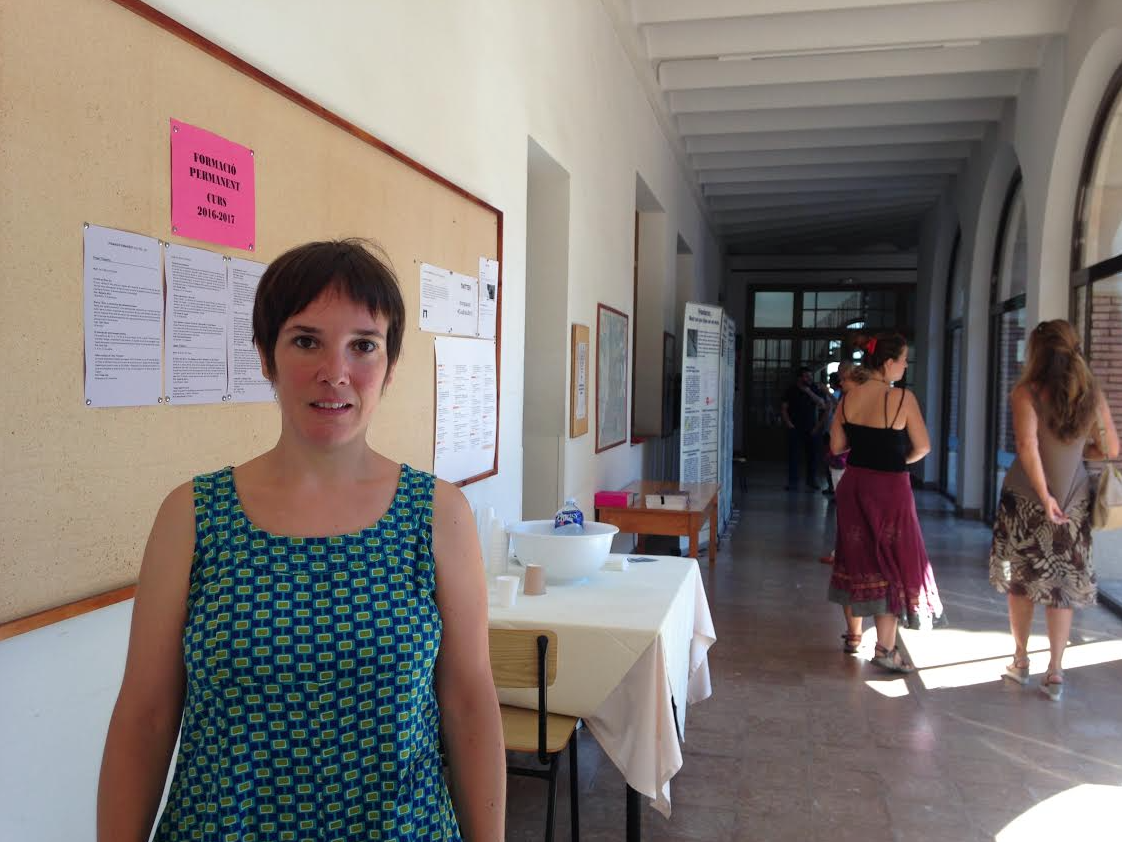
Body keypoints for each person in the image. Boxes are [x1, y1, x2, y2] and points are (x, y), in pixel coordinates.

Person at [98, 240, 506, 841]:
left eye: (363, 345)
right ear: (266, 356)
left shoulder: (438, 515)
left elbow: (469, 703)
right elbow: (147, 716)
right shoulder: (192, 516)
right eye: (306, 340)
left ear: (390, 367)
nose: (334, 372)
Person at [989, 319, 1119, 701]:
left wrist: (1044, 496)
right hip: (1074, 500)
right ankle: (1056, 670)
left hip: (1025, 500)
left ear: (1037, 352)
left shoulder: (1027, 393)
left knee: (1021, 582)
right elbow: (1111, 447)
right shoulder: (1089, 394)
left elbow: (1028, 448)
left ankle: (1021, 658)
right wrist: (1079, 455)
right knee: (1061, 586)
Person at [827, 333, 943, 672]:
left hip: (854, 484)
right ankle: (886, 649)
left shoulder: (848, 398)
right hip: (890, 486)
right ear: (888, 363)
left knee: (853, 555)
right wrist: (895, 458)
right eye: (904, 360)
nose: (905, 366)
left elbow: (836, 447)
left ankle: (853, 637)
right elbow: (923, 447)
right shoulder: (902, 398)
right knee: (891, 560)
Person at [781, 366, 828, 491]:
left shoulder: (814, 389)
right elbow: (784, 408)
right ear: (800, 378)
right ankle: (793, 482)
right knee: (793, 456)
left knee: (812, 455)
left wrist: (808, 391)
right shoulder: (791, 390)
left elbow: (822, 404)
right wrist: (789, 424)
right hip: (795, 427)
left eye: (811, 376)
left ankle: (811, 480)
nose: (810, 378)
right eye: (806, 376)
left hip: (812, 427)